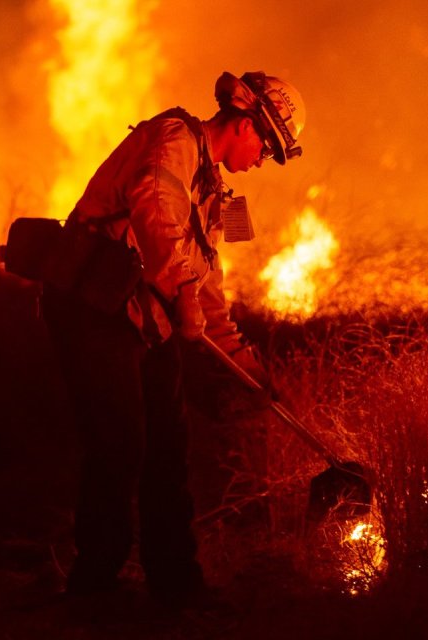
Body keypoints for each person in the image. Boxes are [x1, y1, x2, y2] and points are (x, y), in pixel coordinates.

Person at [40, 71, 305, 603]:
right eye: (267, 147)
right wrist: (183, 295)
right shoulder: (174, 141)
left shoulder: (213, 189)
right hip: (93, 309)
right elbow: (156, 212)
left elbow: (207, 284)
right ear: (246, 122)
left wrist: (246, 364)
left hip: (140, 317)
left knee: (168, 446)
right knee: (120, 443)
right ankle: (94, 591)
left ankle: (175, 584)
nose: (263, 161)